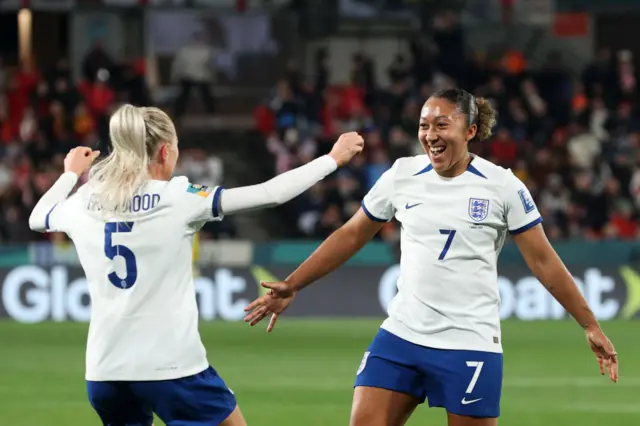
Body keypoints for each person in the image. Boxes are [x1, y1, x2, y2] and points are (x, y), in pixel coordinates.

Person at [243, 88, 619, 426]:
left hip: (469, 342)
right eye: (424, 126)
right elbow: (352, 233)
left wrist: (588, 323)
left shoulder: (502, 186)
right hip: (403, 334)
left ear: (470, 131)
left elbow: (544, 261)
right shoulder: (402, 174)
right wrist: (293, 284)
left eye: (442, 125)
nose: (430, 135)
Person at [28, 104, 364, 426]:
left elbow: (37, 218)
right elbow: (269, 193)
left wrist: (71, 174)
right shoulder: (178, 196)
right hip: (172, 368)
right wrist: (332, 159)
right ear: (164, 152)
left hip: (105, 372)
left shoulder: (85, 201)